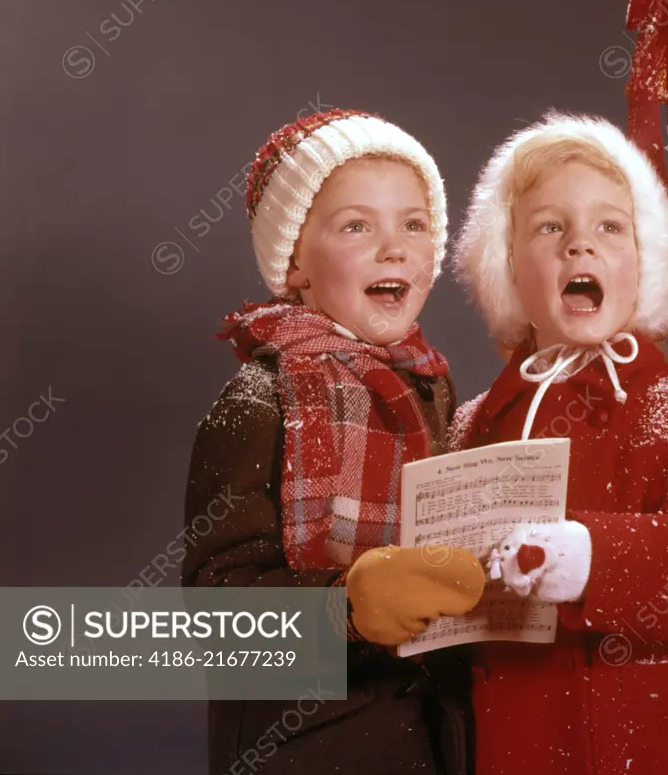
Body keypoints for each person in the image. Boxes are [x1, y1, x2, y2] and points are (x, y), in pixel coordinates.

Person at [450, 112, 668, 774]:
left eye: (609, 227)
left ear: (644, 262)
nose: (579, 247)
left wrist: (587, 555)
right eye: (549, 227)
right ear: (506, 263)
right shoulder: (472, 426)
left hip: (650, 742)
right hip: (510, 740)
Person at [183, 109, 483, 775]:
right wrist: (343, 611)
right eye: (357, 226)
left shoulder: (433, 390)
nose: (394, 247)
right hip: (310, 744)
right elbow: (213, 620)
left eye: (414, 224)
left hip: (433, 740)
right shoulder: (261, 401)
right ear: (294, 263)